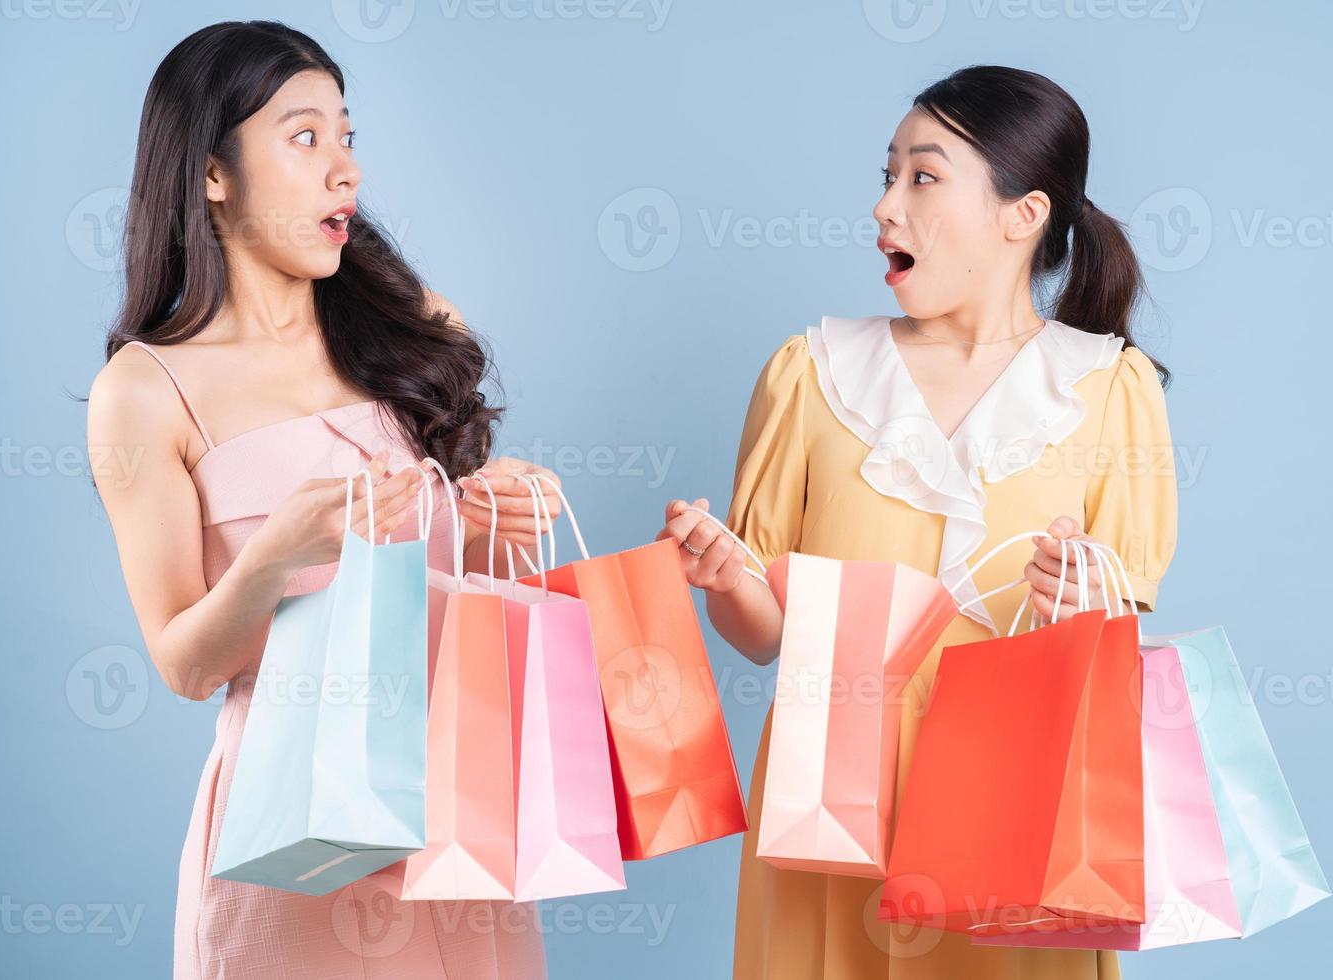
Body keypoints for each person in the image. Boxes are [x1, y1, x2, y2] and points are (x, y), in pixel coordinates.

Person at [656, 65, 1178, 979]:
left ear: (1022, 216)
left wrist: (1090, 600)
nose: (884, 206)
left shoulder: (1109, 389)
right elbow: (763, 636)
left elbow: (1118, 638)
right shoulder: (811, 372)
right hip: (832, 804)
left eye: (922, 177)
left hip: (1016, 807)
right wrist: (728, 579)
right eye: (887, 174)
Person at [85, 21, 554, 979]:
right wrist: (275, 552)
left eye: (348, 135)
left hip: (463, 817)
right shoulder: (145, 390)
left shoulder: (406, 327)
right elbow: (183, 660)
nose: (344, 168)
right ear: (213, 172)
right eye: (305, 138)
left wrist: (497, 510)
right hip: (296, 837)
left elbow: (454, 573)